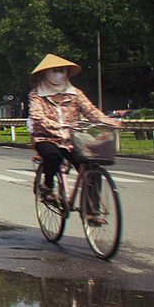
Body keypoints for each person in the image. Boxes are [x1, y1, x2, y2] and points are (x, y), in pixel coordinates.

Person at [27, 54, 120, 217]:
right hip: (46, 137)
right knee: (53, 157)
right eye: (55, 71)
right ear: (46, 73)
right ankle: (47, 186)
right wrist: (54, 126)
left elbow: (91, 112)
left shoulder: (75, 93)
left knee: (91, 167)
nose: (59, 74)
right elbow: (37, 116)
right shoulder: (37, 95)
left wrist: (110, 122)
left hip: (72, 140)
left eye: (62, 71)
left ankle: (92, 211)